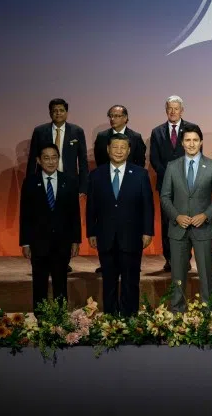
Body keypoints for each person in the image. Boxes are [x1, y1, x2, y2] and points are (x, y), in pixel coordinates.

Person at [86, 133, 155, 316]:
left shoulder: (140, 174)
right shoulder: (96, 175)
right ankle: (110, 317)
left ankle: (129, 318)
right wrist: (91, 232)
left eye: (122, 147)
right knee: (108, 280)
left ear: (129, 150)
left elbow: (148, 205)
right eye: (115, 147)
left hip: (132, 235)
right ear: (108, 149)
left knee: (130, 280)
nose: (118, 151)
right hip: (105, 235)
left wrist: (148, 231)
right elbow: (91, 206)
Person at [160, 124, 212, 312]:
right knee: (177, 276)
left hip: (203, 228)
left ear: (201, 142)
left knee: (205, 275)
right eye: (187, 140)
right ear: (182, 143)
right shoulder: (172, 166)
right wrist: (176, 216)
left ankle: (207, 313)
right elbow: (165, 197)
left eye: (195, 140)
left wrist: (205, 215)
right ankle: (177, 312)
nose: (191, 144)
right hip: (178, 229)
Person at [19, 143, 81, 311]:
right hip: (38, 243)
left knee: (61, 284)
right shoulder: (30, 182)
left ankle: (61, 318)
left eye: (54, 157)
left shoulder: (69, 181)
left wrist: (75, 240)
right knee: (39, 284)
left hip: (62, 243)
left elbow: (75, 214)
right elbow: (25, 215)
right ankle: (41, 319)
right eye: (46, 158)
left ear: (58, 159)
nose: (51, 161)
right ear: (39, 160)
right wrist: (25, 243)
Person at [92, 104, 146, 274]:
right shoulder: (102, 137)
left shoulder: (136, 137)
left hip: (130, 189)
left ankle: (130, 262)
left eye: (116, 116)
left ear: (126, 118)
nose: (113, 119)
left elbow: (140, 161)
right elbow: (100, 161)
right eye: (111, 116)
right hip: (108, 188)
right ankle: (107, 262)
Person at [149, 95, 197, 273]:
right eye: (170, 108)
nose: (173, 111)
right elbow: (154, 159)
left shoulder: (192, 129)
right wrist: (170, 176)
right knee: (168, 222)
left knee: (187, 222)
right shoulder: (157, 132)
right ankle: (169, 259)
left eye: (176, 108)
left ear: (182, 110)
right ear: (166, 110)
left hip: (188, 184)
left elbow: (196, 154)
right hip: (166, 185)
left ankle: (185, 258)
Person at [27, 98, 90, 195]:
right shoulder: (39, 131)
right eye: (55, 110)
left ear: (67, 112)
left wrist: (83, 187)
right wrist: (30, 183)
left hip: (70, 181)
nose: (58, 113)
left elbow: (83, 161)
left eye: (61, 110)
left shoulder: (77, 131)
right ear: (50, 113)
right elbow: (32, 160)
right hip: (45, 180)